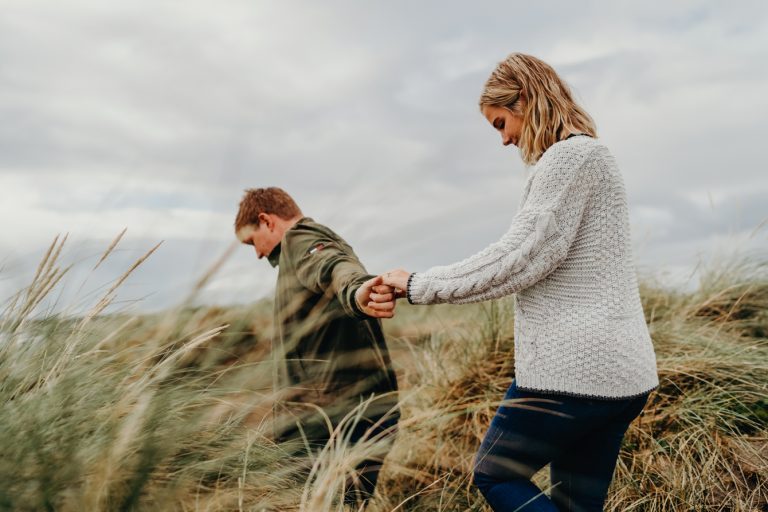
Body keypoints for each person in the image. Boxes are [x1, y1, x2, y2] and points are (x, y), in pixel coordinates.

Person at [368, 53, 660, 511]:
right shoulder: (589, 157)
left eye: (501, 123)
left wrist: (417, 284)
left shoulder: (572, 157)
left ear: (525, 99)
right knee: (574, 506)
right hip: (621, 377)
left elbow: (516, 260)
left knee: (495, 473)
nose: (504, 139)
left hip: (575, 370)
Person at [234, 187, 400, 507]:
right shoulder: (323, 242)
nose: (256, 254)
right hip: (362, 413)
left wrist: (356, 290)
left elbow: (333, 267)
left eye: (251, 242)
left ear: (266, 221)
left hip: (329, 423)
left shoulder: (300, 239)